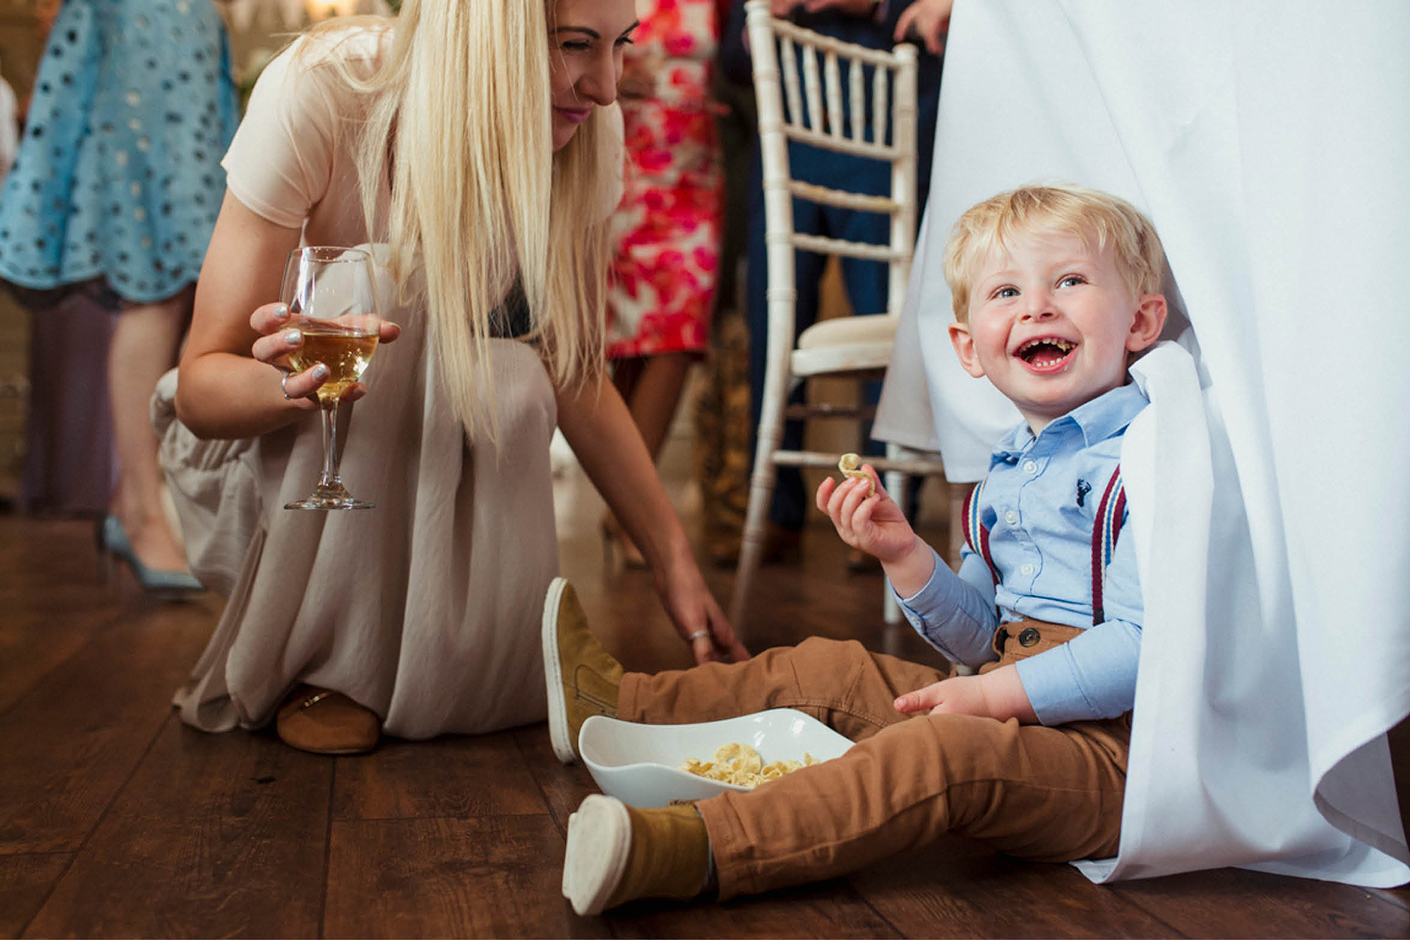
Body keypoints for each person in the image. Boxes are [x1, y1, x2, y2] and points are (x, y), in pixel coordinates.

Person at [544, 182, 1170, 914]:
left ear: (1142, 320)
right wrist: (904, 555)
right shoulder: (1003, 472)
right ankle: (618, 702)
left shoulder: (1147, 456)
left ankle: (693, 848)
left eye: (1070, 281)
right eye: (1006, 291)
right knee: (831, 670)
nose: (1038, 306)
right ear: (968, 348)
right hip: (1010, 713)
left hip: (1108, 761)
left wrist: (986, 696)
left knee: (934, 753)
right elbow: (980, 636)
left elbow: (1138, 649)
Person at [159, 0, 748, 757]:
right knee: (368, 297)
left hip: (423, 457)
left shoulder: (586, 134)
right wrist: (293, 386)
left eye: (620, 48)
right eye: (577, 46)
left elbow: (574, 371)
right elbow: (201, 387)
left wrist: (674, 561)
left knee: (515, 374)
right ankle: (329, 663)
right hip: (269, 467)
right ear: (488, 35)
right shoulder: (323, 91)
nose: (606, 88)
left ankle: (467, 664)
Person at [0, 0, 237, 594]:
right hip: (144, 42)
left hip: (188, 40)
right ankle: (143, 514)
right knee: (155, 288)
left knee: (191, 288)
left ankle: (126, 500)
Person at [717, 0, 942, 566]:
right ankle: (777, 512)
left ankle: (883, 506)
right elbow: (731, 59)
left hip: (887, 138)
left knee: (888, 329)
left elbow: (932, 30)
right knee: (773, 327)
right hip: (785, 150)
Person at [601, 0, 725, 568]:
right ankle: (625, 505)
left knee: (677, 342)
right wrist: (613, 68)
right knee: (625, 350)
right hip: (615, 175)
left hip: (695, 181)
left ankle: (634, 513)